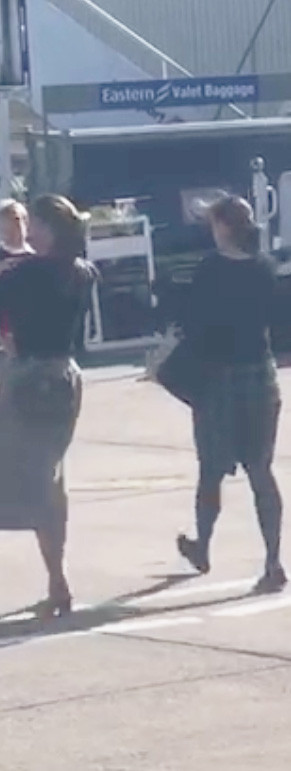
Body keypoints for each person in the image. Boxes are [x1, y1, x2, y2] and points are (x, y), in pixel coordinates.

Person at [0, 194, 98, 619]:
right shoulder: (82, 272)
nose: (28, 231)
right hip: (66, 376)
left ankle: (57, 577)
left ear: (48, 230)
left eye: (33, 224)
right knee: (52, 477)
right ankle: (57, 575)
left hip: (29, 376)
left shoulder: (25, 272)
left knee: (14, 478)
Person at [177, 195, 286, 593]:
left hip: (220, 379)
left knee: (211, 470)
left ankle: (203, 547)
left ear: (224, 226)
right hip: (260, 375)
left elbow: (195, 323)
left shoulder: (210, 269)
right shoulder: (265, 268)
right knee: (261, 469)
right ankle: (273, 560)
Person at [0, 199, 34, 356]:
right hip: (7, 313)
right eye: (5, 231)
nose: (11, 235)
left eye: (15, 229)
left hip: (30, 311)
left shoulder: (33, 255)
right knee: (14, 351)